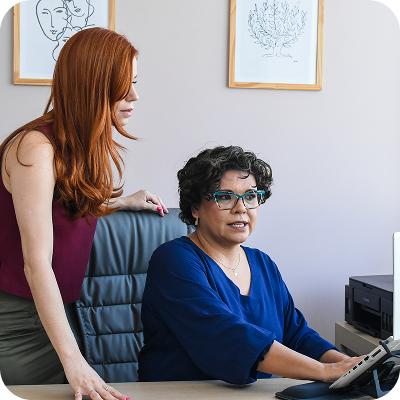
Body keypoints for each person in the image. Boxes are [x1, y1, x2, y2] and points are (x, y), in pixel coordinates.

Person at [0, 27, 168, 400]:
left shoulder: (79, 143)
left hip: (56, 310)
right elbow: (36, 264)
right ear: (90, 87)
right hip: (17, 321)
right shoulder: (35, 149)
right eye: (122, 86)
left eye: (134, 83)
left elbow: (61, 204)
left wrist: (120, 201)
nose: (134, 96)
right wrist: (74, 360)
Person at [138, 145, 363, 385]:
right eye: (225, 197)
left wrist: (353, 366)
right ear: (195, 208)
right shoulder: (173, 259)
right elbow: (226, 336)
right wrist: (325, 371)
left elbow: (297, 335)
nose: (241, 208)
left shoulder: (263, 263)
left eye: (250, 197)